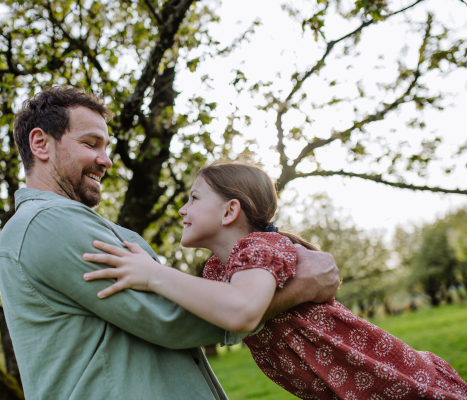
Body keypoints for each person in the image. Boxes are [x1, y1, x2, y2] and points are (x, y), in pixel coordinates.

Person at [0, 87, 341, 400]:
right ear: (40, 144)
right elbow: (168, 315)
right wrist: (299, 287)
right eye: (91, 144)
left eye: (106, 146)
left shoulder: (57, 223)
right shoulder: (48, 224)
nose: (106, 160)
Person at [83, 161, 467, 400]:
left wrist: (152, 274)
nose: (182, 208)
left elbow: (242, 311)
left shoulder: (261, 247)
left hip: (392, 381)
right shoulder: (218, 272)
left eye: (194, 198)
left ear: (230, 210)